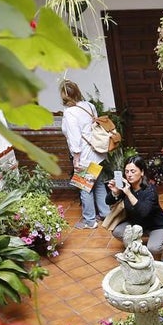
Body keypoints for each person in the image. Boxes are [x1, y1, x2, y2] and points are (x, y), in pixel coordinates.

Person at [59, 80, 110, 230]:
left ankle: (90, 221)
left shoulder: (70, 113)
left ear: (64, 95)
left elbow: (74, 137)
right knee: (98, 183)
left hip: (85, 156)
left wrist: (76, 159)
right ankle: (105, 214)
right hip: (97, 152)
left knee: (85, 188)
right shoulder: (89, 106)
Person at [106, 155, 163, 262]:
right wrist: (115, 192)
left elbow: (143, 212)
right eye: (127, 171)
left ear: (142, 172)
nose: (129, 175)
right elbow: (108, 201)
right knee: (117, 231)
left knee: (153, 248)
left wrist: (128, 193)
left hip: (156, 226)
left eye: (133, 171)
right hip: (137, 224)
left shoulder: (150, 190)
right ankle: (136, 246)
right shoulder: (126, 186)